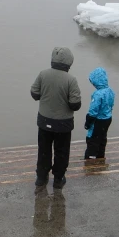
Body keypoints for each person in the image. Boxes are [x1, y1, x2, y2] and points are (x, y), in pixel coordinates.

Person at [30, 47, 82, 189]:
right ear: (69, 62)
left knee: (44, 150)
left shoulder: (43, 74)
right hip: (63, 125)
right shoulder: (71, 80)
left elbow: (34, 94)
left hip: (44, 121)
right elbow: (75, 105)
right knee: (61, 152)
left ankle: (41, 178)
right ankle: (58, 179)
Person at [83, 67, 115, 159]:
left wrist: (87, 123)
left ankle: (90, 158)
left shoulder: (98, 94)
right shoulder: (110, 91)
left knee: (93, 140)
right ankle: (100, 156)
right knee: (102, 138)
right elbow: (111, 104)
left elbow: (93, 111)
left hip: (98, 120)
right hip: (108, 118)